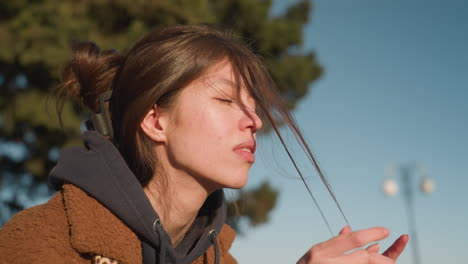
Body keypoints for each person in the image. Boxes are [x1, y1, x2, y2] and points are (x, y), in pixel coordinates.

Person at [0, 25, 408, 264]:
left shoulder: (219, 258)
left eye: (253, 105)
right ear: (155, 119)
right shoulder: (38, 244)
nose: (255, 121)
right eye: (226, 99)